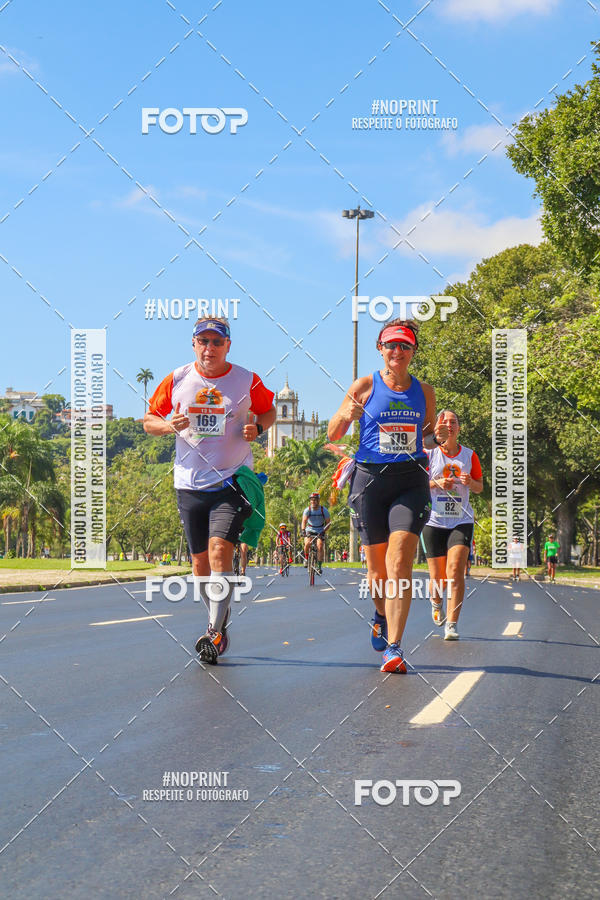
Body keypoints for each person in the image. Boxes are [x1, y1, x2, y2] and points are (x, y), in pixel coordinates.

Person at [144, 316, 275, 664]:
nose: (210, 348)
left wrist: (257, 427)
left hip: (231, 481)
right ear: (193, 344)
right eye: (203, 341)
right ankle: (217, 622)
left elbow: (268, 410)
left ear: (228, 346)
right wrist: (167, 424)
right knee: (200, 565)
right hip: (189, 483)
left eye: (217, 342)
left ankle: (214, 632)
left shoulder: (247, 379)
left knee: (220, 551)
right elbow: (149, 421)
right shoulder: (178, 379)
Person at [328, 319, 448, 673]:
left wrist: (437, 437)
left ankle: (394, 647)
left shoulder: (424, 391)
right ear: (380, 349)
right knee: (377, 573)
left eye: (405, 346)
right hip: (370, 483)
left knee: (400, 563)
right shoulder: (365, 385)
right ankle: (380, 612)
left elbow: (425, 438)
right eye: (391, 345)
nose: (398, 352)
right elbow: (334, 432)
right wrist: (346, 414)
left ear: (413, 352)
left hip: (410, 480)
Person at [421, 410, 483, 641]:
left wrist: (470, 482)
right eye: (444, 422)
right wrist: (437, 482)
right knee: (437, 578)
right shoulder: (429, 454)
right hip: (434, 521)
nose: (449, 425)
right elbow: (418, 485)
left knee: (455, 571)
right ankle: (436, 602)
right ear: (437, 428)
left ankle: (452, 624)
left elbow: (479, 487)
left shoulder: (469, 456)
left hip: (461, 520)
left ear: (458, 428)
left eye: (453, 422)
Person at [302, 492, 330, 574]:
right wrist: (303, 530)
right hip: (310, 529)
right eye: (311, 500)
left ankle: (319, 566)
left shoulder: (323, 510)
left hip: (320, 530)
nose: (313, 502)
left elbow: (328, 523)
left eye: (315, 500)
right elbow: (304, 521)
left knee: (320, 546)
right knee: (307, 543)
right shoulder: (308, 510)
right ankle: (306, 558)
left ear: (318, 501)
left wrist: (324, 531)